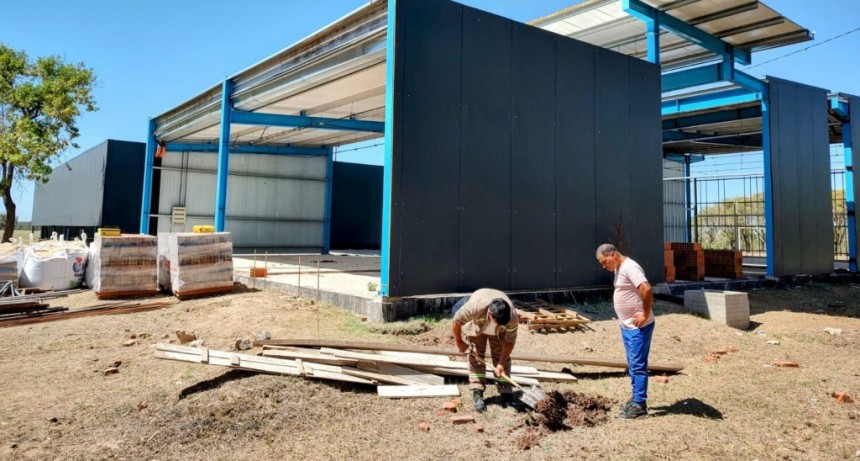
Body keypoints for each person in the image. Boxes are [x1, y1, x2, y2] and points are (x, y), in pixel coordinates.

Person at [596, 243, 654, 420]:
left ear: (613, 255)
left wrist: (644, 313)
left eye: (604, 262)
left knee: (637, 365)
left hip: (638, 327)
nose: (603, 266)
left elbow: (646, 288)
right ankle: (636, 398)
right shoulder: (619, 268)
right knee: (632, 363)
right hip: (627, 326)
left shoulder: (630, 267)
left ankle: (640, 406)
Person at [451, 288, 520, 412]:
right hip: (478, 327)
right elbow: (456, 321)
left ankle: (505, 390)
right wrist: (459, 342)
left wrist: (501, 363)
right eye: (497, 323)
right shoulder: (475, 308)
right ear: (490, 314)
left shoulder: (512, 317)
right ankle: (477, 392)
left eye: (502, 324)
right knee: (476, 357)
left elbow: (509, 341)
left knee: (501, 357)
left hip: (499, 334)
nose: (499, 325)